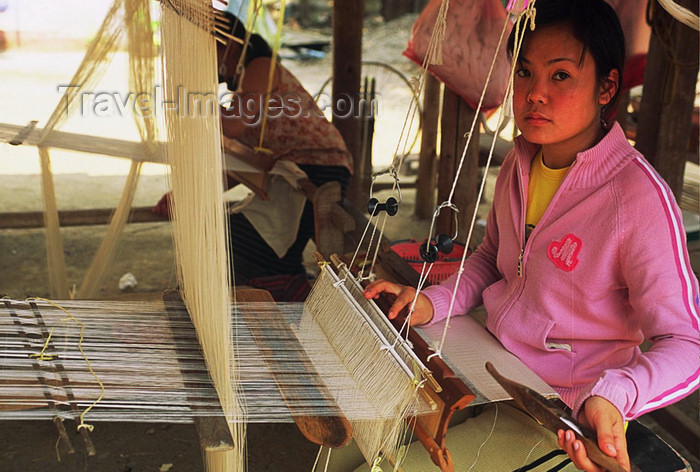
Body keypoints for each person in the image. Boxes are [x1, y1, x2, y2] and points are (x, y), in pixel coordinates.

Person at [362, 1, 699, 470]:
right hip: (491, 369)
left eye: (560, 75)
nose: (535, 93)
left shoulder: (638, 201)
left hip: (560, 410)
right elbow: (491, 258)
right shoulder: (520, 163)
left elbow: (687, 345)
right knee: (363, 440)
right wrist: (431, 302)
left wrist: (615, 394)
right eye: (524, 72)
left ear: (607, 87)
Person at [154, 12, 353, 291]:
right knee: (227, 233)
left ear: (230, 46)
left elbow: (233, 126)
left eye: (204, 52)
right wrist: (187, 196)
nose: (200, 62)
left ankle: (283, 295)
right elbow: (241, 165)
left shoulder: (261, 67)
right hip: (289, 175)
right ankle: (278, 292)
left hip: (318, 170)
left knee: (238, 240)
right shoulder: (246, 86)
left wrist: (192, 100)